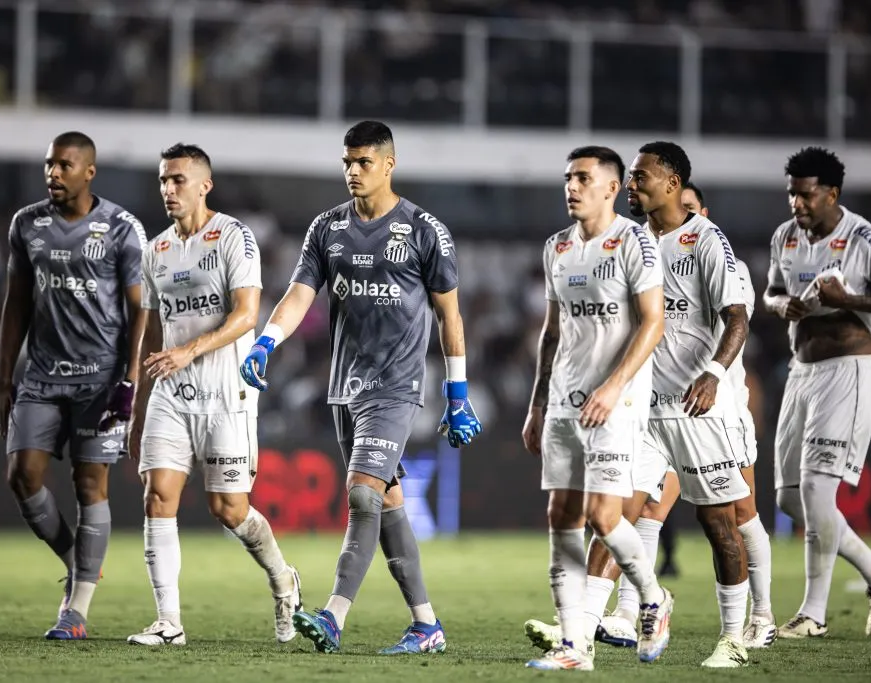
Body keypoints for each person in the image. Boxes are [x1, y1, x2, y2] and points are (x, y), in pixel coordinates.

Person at [240, 120, 482, 655]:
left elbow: (450, 316)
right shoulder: (326, 228)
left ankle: (332, 615)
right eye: (347, 162)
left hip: (396, 386)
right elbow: (300, 293)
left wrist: (457, 394)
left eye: (363, 163)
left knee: (361, 495)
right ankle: (426, 625)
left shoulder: (424, 230)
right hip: (344, 388)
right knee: (389, 506)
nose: (352, 171)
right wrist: (266, 342)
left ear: (388, 165)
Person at [577, 142, 752, 668]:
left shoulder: (704, 240)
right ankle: (580, 636)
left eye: (641, 177)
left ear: (672, 182)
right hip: (643, 411)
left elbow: (737, 318)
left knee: (720, 524)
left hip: (697, 408)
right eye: (629, 178)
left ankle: (734, 639)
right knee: (608, 515)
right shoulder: (628, 240)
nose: (632, 185)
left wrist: (714, 374)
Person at [126, 144, 301, 646]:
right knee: (158, 497)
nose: (168, 189)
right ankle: (169, 622)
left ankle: (283, 579)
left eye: (178, 179)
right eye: (163, 180)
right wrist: (138, 406)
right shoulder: (155, 250)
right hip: (172, 394)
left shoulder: (233, 237)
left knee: (229, 509)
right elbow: (154, 331)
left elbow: (247, 314)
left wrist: (191, 350)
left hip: (227, 393)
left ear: (205, 184)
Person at [519, 146, 672, 672]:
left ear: (611, 187)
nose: (572, 186)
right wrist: (538, 403)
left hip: (617, 401)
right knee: (560, 517)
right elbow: (553, 329)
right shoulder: (556, 248)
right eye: (568, 178)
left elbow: (654, 322)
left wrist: (614, 385)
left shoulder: (635, 242)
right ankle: (574, 646)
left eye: (583, 178)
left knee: (602, 515)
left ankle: (652, 598)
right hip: (564, 398)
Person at [0, 131, 147, 640]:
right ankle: (77, 558)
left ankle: (75, 610)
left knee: (89, 485)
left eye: (63, 165)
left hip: (99, 380)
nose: (52, 174)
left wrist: (131, 376)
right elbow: (15, 302)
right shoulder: (26, 224)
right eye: (48, 165)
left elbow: (139, 309)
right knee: (22, 476)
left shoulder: (122, 228)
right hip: (40, 376)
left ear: (89, 172)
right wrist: (2, 375)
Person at [764, 146, 871, 638]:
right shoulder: (785, 237)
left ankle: (813, 615)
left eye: (805, 196)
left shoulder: (863, 237)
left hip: (849, 370)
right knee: (788, 500)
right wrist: (781, 304)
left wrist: (852, 300)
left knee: (816, 491)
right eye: (791, 195)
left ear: (832, 194)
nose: (796, 205)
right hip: (800, 372)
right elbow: (770, 290)